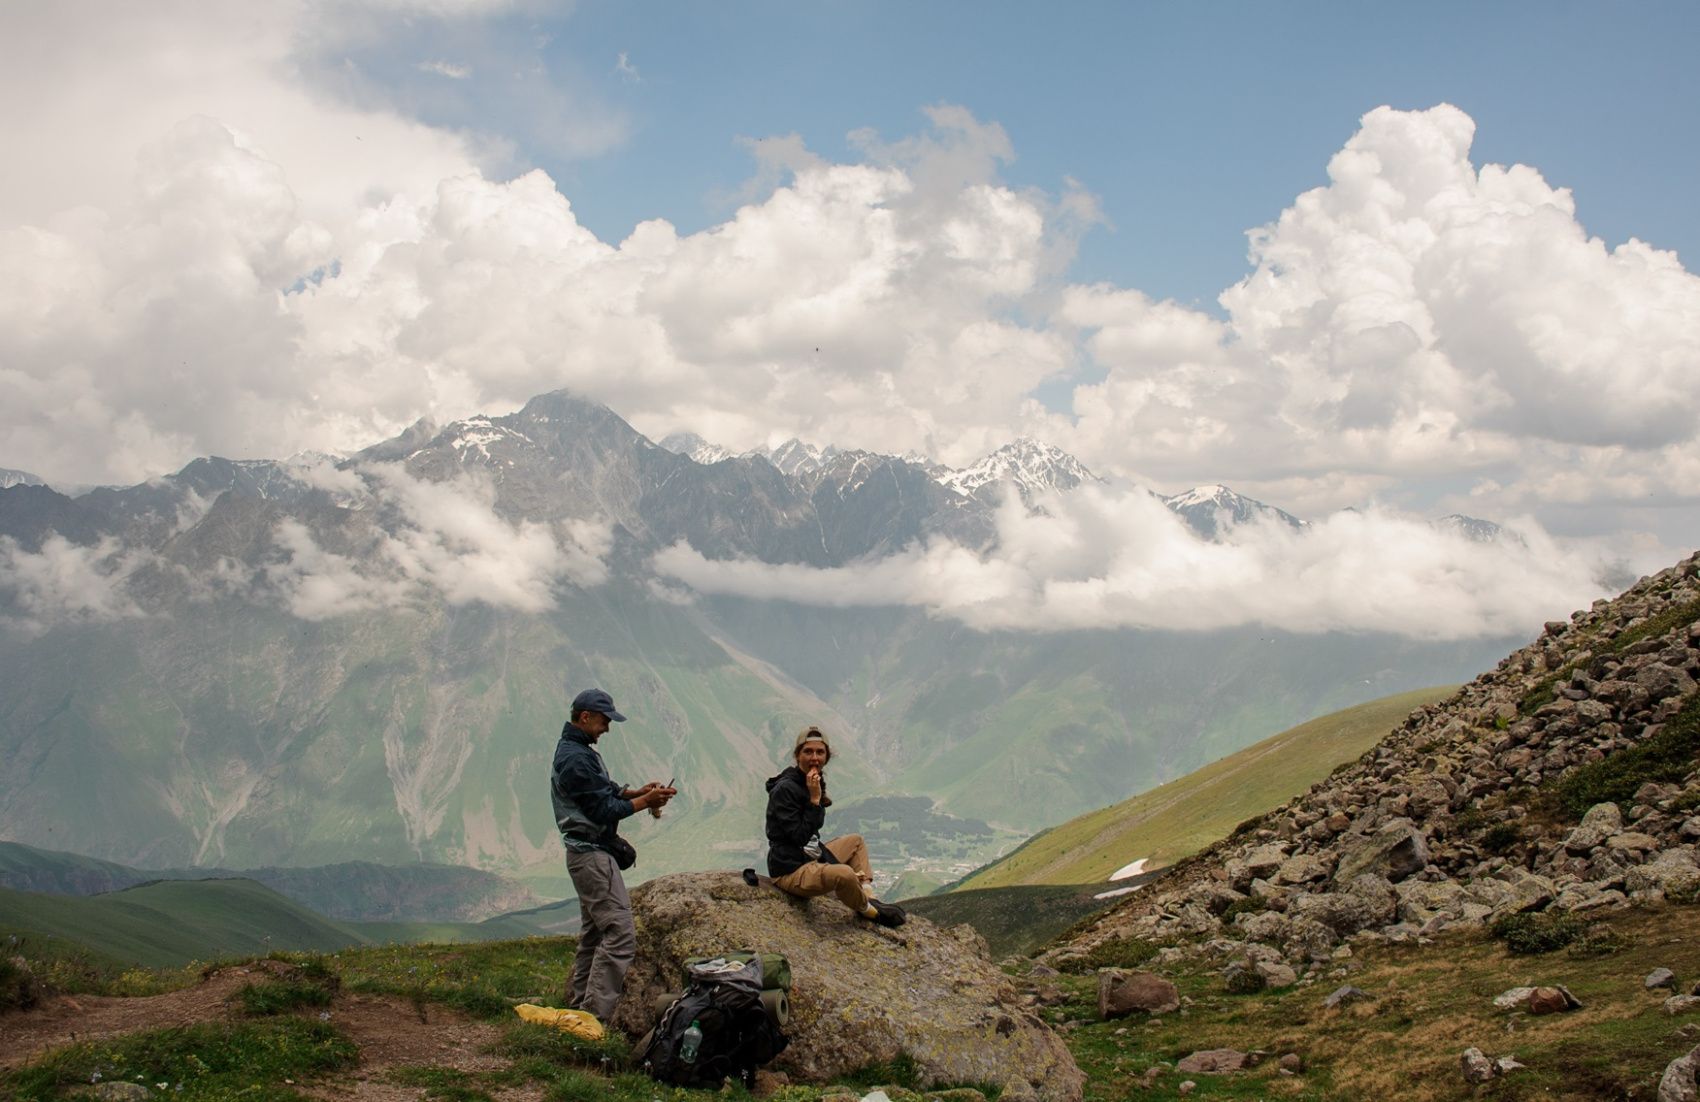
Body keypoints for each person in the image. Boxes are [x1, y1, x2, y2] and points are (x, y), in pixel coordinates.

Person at [551, 687, 676, 1021]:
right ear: (586, 717)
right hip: (591, 855)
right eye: (604, 721)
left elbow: (601, 790)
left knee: (593, 934)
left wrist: (637, 792)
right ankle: (593, 1018)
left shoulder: (578, 750)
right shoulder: (575, 758)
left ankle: (578, 1008)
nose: (607, 728)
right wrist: (645, 803)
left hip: (585, 854)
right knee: (620, 933)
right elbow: (603, 808)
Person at [764, 725, 905, 927]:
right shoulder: (785, 789)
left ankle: (868, 894)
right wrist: (814, 801)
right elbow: (799, 837)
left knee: (856, 842)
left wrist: (815, 798)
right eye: (808, 752)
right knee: (845, 873)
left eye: (820, 752)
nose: (814, 758)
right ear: (797, 756)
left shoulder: (812, 781)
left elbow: (813, 830)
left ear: (827, 757)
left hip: (810, 854)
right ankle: (869, 911)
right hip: (790, 869)